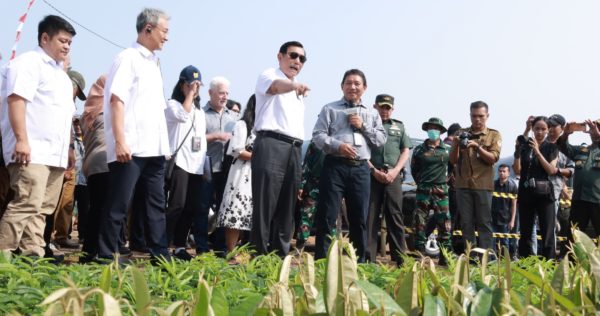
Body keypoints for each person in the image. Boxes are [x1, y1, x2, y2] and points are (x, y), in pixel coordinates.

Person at [0, 15, 77, 261]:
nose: (66, 46)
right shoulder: (29, 62)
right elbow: (16, 100)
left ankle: (31, 257)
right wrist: (21, 139)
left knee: (41, 210)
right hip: (31, 150)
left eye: (69, 43)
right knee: (25, 205)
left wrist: (66, 152)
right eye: (62, 40)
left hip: (53, 154)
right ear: (45, 38)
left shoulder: (61, 75)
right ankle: (4, 257)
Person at [98, 8, 171, 262]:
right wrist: (120, 141)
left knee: (155, 205)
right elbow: (116, 100)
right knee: (118, 203)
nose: (167, 37)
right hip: (131, 147)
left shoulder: (153, 63)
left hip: (154, 148)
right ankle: (107, 254)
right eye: (164, 31)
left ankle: (160, 254)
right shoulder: (127, 58)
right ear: (148, 29)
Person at [312, 69, 386, 262]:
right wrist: (338, 146)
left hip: (361, 169)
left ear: (364, 88)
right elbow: (318, 136)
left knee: (359, 218)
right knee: (327, 216)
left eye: (357, 83)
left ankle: (357, 263)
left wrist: (363, 126)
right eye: (348, 83)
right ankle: (323, 263)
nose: (352, 87)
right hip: (335, 166)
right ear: (342, 86)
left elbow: (380, 140)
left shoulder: (372, 114)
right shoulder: (330, 109)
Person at [250, 41, 309, 256]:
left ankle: (280, 256)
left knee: (287, 208)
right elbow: (275, 87)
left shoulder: (297, 89)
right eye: (293, 55)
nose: (297, 61)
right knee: (265, 204)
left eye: (302, 58)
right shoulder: (268, 74)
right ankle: (258, 255)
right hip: (271, 144)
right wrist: (294, 85)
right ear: (280, 56)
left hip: (294, 149)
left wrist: (295, 87)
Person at [164, 65, 208, 261]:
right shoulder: (172, 105)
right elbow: (182, 115)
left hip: (197, 165)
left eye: (198, 85)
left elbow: (202, 140)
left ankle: (180, 246)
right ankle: (162, 244)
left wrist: (205, 168)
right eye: (191, 84)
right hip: (180, 162)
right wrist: (189, 95)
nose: (195, 89)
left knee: (191, 207)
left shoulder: (200, 112)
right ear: (182, 84)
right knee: (176, 205)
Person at [449, 101, 501, 253]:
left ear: (487, 116)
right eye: (474, 116)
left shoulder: (494, 135)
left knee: (484, 223)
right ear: (470, 115)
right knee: (466, 223)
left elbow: (493, 158)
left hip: (483, 185)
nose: (477, 119)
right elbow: (453, 160)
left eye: (481, 116)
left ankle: (487, 259)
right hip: (463, 185)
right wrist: (456, 144)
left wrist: (477, 147)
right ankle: (470, 258)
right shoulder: (461, 133)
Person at [365, 94, 410, 265]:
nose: (384, 111)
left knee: (395, 216)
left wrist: (396, 170)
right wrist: (373, 170)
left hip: (393, 177)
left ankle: (401, 259)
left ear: (392, 109)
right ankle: (369, 259)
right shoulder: (367, 125)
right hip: (372, 175)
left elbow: (406, 150)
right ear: (375, 107)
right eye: (381, 107)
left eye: (388, 107)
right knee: (370, 216)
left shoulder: (399, 127)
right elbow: (361, 149)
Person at [50, 70, 87, 249]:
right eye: (76, 91)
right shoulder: (58, 101)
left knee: (67, 203)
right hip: (57, 158)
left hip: (71, 162)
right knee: (52, 202)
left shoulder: (70, 106)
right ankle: (47, 238)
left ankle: (62, 236)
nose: (75, 96)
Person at [513, 116, 558, 259]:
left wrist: (538, 152)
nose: (539, 132)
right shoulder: (526, 146)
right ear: (533, 129)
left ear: (548, 130)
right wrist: (518, 152)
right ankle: (525, 263)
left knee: (547, 231)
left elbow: (551, 170)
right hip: (526, 192)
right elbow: (517, 170)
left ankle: (549, 264)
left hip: (545, 194)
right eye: (537, 128)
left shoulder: (552, 147)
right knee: (525, 231)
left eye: (543, 129)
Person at [217, 94, 256, 255]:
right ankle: (231, 250)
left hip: (257, 174)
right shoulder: (242, 125)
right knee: (236, 211)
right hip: (242, 173)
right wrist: (259, 157)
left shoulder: (266, 128)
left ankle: (247, 250)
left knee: (251, 213)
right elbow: (236, 149)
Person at [204, 76, 238, 254]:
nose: (224, 97)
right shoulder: (200, 114)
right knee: (203, 208)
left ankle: (220, 247)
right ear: (210, 93)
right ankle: (201, 246)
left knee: (224, 209)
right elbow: (195, 140)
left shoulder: (234, 118)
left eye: (227, 93)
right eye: (221, 93)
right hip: (206, 168)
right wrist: (216, 136)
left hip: (228, 170)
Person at [411, 118, 452, 264]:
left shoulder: (447, 149)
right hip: (423, 190)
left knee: (444, 224)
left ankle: (445, 257)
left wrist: (445, 180)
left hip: (441, 191)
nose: (433, 130)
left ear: (441, 131)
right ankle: (419, 256)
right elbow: (414, 169)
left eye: (436, 128)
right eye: (430, 128)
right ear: (427, 130)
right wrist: (422, 183)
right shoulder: (419, 150)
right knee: (419, 223)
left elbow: (453, 167)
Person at [558, 119, 600, 241]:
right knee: (573, 236)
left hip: (597, 201)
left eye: (598, 128)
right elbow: (562, 146)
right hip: (579, 200)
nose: (594, 130)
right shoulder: (582, 150)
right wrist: (566, 133)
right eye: (593, 128)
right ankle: (572, 260)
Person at [491, 164, 517, 253]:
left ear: (508, 173)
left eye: (504, 171)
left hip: (505, 219)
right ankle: (492, 262)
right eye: (500, 171)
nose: (501, 173)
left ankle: (505, 262)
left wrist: (512, 221)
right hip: (493, 218)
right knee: (492, 242)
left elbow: (514, 205)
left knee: (505, 243)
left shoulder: (512, 186)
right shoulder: (493, 184)